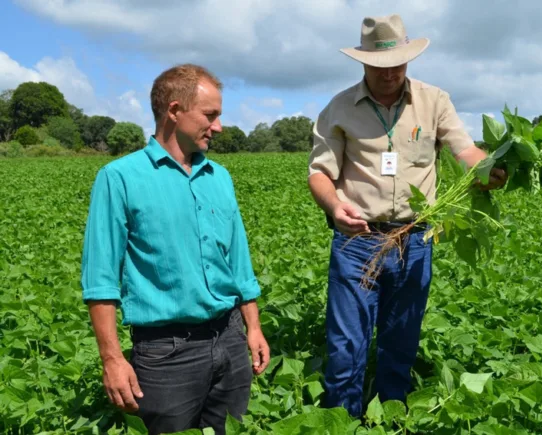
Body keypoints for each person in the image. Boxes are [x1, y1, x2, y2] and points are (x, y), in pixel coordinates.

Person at [307, 14, 507, 417]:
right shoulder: (339, 108)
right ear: (364, 61)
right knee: (346, 347)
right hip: (357, 241)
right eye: (380, 66)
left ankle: (392, 417)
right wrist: (334, 206)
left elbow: (465, 150)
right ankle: (341, 420)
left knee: (400, 341)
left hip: (413, 240)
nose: (389, 73)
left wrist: (487, 171)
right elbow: (320, 173)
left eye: (397, 64)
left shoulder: (434, 101)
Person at [80, 64, 270, 435]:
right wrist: (112, 359)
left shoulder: (220, 177)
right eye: (210, 115)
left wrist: (253, 327)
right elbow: (100, 278)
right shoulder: (120, 178)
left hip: (230, 340)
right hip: (167, 354)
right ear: (174, 110)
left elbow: (238, 262)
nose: (218, 127)